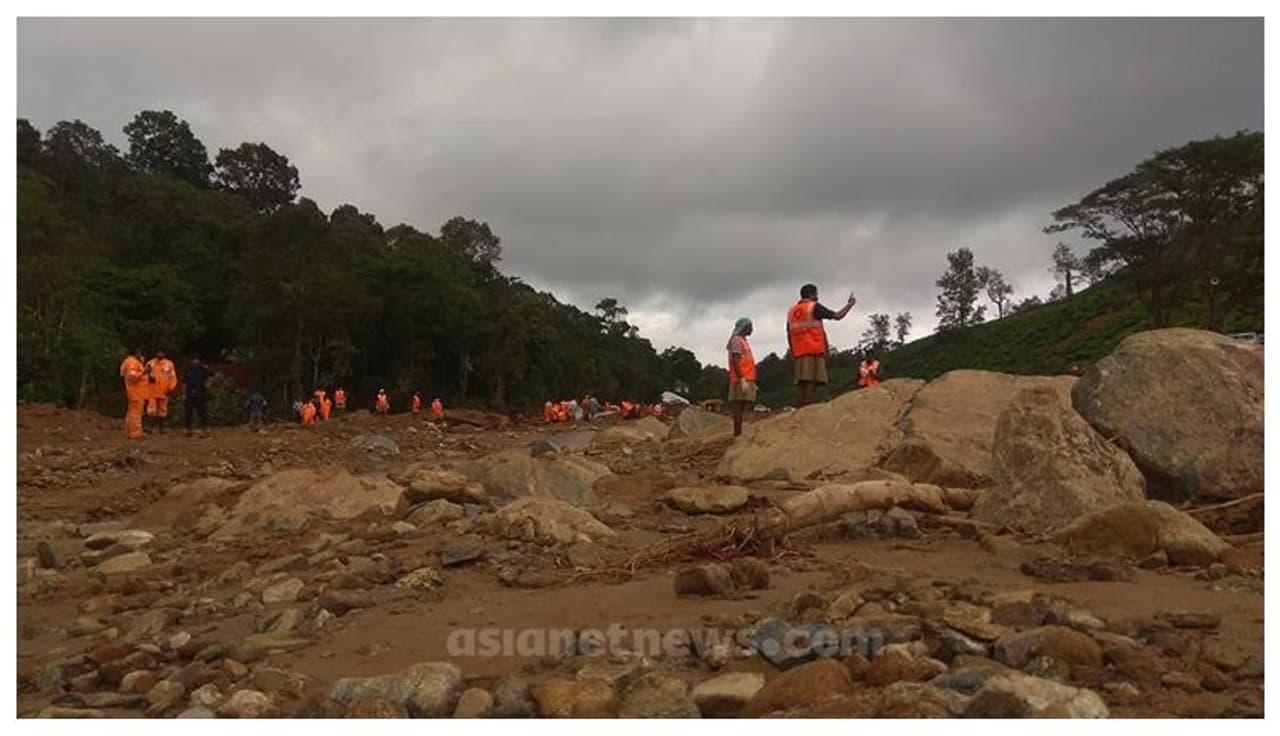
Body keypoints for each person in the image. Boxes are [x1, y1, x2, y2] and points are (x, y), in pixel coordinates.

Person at [787, 283, 856, 407]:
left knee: (802, 384)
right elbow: (837, 316)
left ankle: (800, 411)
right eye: (816, 294)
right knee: (810, 382)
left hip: (798, 352)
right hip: (812, 350)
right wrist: (850, 304)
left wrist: (793, 352)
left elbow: (789, 333)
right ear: (811, 294)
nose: (818, 296)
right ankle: (807, 411)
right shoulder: (813, 307)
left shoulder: (792, 311)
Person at [727, 318, 758, 437]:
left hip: (746, 377)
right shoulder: (736, 341)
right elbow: (735, 361)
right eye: (750, 326)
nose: (752, 329)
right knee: (738, 406)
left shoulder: (742, 341)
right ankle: (737, 433)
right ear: (744, 327)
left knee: (742, 406)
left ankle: (739, 432)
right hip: (740, 378)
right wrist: (742, 379)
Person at [144, 350, 178, 432]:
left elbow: (173, 377)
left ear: (164, 354)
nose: (159, 354)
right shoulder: (150, 363)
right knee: (151, 410)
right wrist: (148, 379)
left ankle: (161, 429)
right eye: (158, 352)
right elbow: (144, 374)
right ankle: (149, 428)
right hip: (152, 390)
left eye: (161, 353)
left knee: (163, 411)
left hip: (164, 391)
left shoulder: (169, 364)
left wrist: (171, 388)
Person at [119, 348, 147, 439]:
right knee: (136, 413)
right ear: (137, 353)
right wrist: (144, 372)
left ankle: (129, 431)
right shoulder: (132, 362)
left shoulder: (132, 362)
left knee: (132, 411)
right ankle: (135, 433)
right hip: (135, 391)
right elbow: (132, 376)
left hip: (137, 391)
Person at [183, 355, 212, 435]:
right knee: (188, 412)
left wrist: (208, 389)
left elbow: (208, 378)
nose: (194, 362)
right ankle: (188, 429)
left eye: (196, 360)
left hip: (200, 393)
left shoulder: (203, 369)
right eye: (193, 360)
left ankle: (204, 428)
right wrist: (184, 394)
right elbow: (184, 382)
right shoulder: (187, 370)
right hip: (189, 393)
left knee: (202, 411)